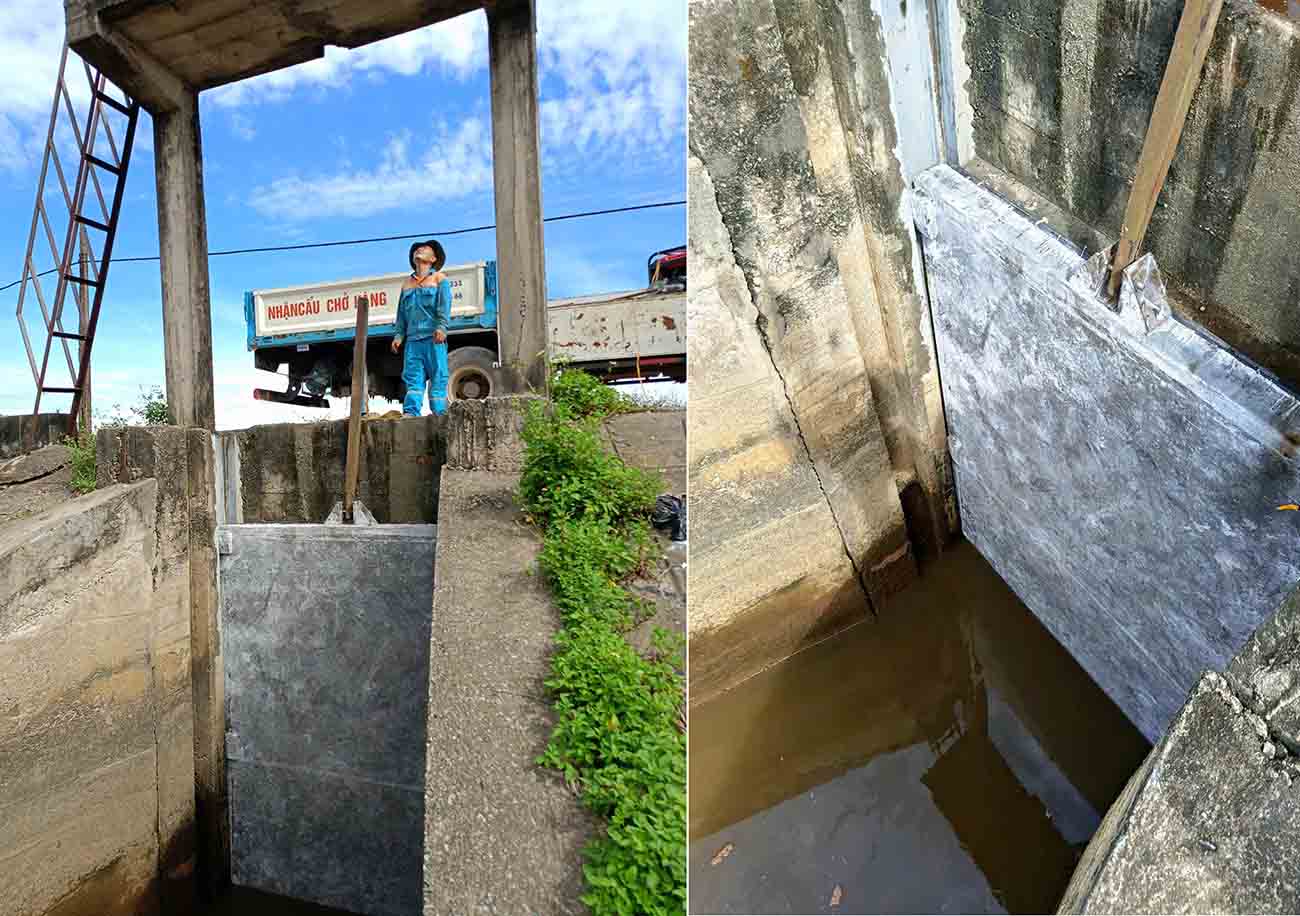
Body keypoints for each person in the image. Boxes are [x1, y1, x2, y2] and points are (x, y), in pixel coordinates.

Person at [392, 239, 451, 416]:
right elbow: (401, 315)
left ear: (433, 259)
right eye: (417, 248)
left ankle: (439, 415)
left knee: (438, 376)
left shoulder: (440, 279)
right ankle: (411, 413)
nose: (419, 249)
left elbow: (444, 306)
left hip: (433, 339)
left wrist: (442, 327)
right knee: (413, 378)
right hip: (413, 342)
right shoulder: (406, 284)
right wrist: (398, 336)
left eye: (425, 248)